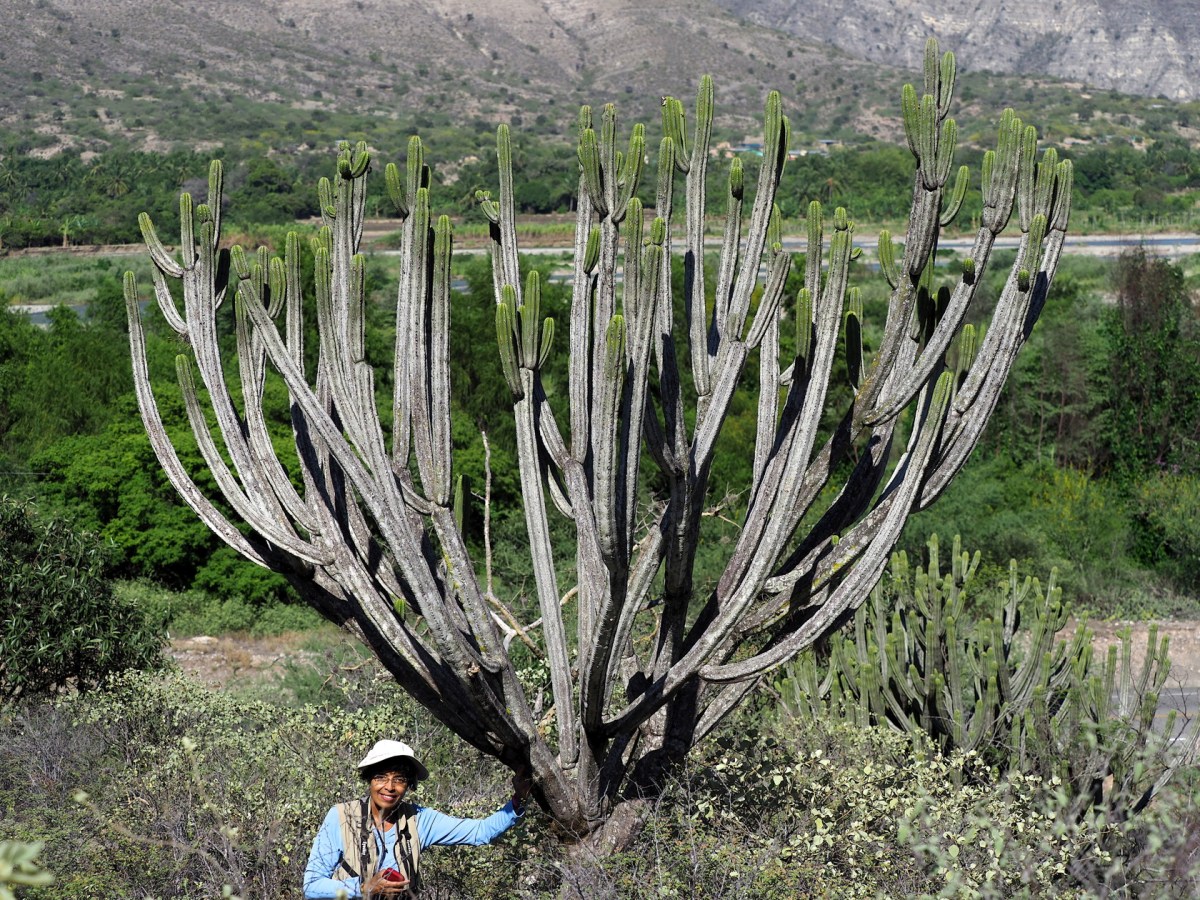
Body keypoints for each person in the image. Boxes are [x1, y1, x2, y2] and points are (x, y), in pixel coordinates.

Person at [303, 739, 532, 898]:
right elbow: (312, 886)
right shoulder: (341, 817)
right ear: (369, 780)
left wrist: (518, 800)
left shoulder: (419, 820)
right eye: (381, 777)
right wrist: (363, 888)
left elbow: (480, 832)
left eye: (399, 779)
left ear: (409, 785)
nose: (389, 787)